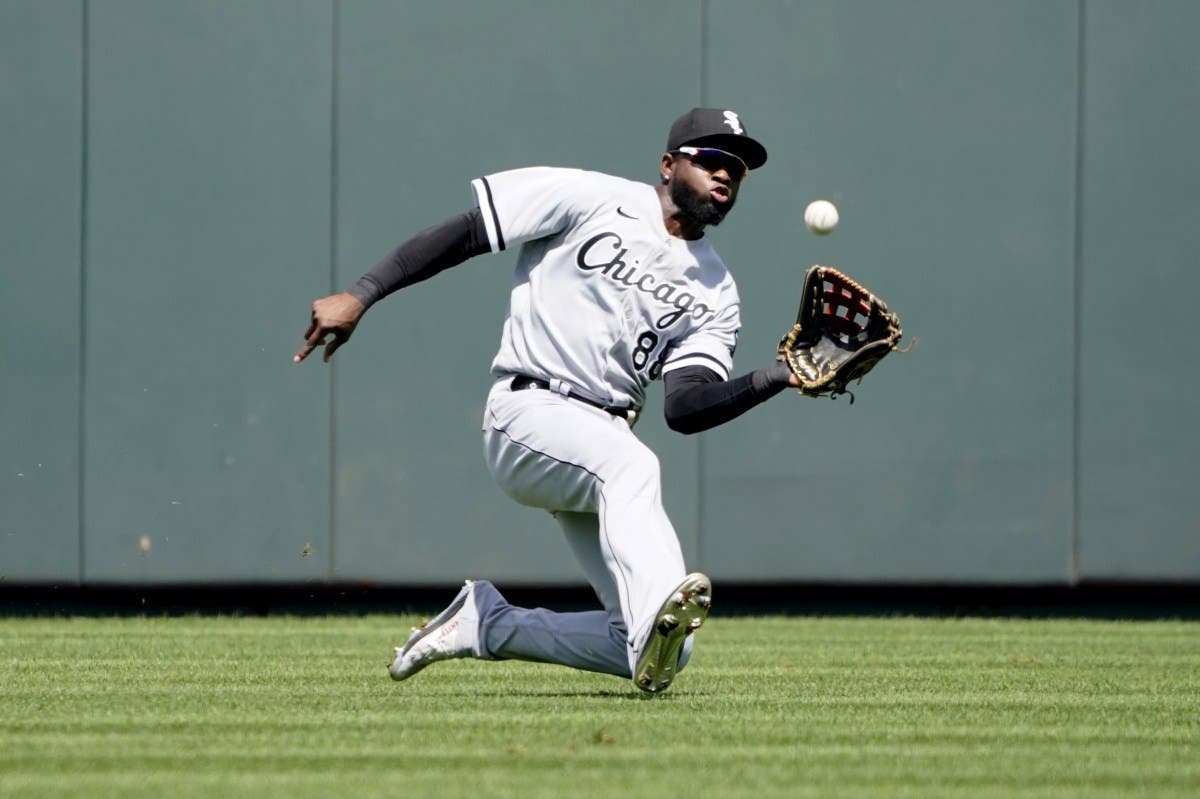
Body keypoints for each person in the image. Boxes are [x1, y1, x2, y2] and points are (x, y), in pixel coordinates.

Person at [294, 108, 801, 694]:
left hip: (602, 440)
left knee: (661, 647)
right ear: (668, 165)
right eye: (711, 159)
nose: (726, 175)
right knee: (634, 469)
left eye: (737, 169)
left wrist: (777, 376)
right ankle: (650, 618)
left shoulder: (717, 290)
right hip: (527, 412)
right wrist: (362, 294)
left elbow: (685, 409)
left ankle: (487, 625)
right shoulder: (590, 197)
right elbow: (465, 233)